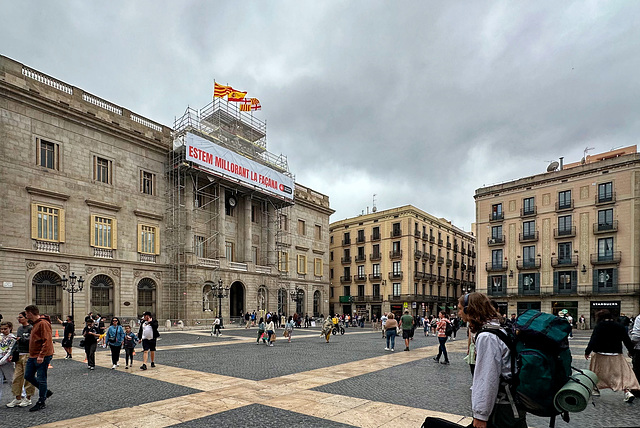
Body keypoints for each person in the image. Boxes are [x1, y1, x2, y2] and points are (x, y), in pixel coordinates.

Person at [458, 293, 526, 428]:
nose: (458, 312)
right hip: (512, 405)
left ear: (469, 309)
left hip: (501, 408)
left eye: (460, 308)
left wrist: (481, 415)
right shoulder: (499, 327)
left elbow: (487, 376)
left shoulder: (487, 336)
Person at [585, 309, 639, 402]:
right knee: (622, 374)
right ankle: (627, 391)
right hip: (616, 353)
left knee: (597, 372)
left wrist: (587, 351)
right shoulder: (619, 326)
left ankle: (595, 389)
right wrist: (631, 351)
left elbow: (593, 339)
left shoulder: (599, 326)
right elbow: (626, 340)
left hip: (600, 353)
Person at [22, 305, 54, 412]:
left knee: (41, 378)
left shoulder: (43, 323)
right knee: (28, 375)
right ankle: (45, 392)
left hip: (41, 356)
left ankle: (41, 401)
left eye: (26, 314)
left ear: (31, 313)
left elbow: (47, 340)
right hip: (33, 355)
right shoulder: (35, 324)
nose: (25, 315)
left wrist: (41, 355)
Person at [6, 312, 36, 408]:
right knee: (16, 378)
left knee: (28, 377)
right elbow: (16, 343)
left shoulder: (31, 328)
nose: (18, 319)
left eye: (20, 317)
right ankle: (18, 397)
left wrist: (22, 339)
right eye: (18, 317)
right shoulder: (19, 329)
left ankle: (28, 398)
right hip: (19, 355)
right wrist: (12, 353)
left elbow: (32, 341)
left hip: (28, 354)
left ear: (26, 318)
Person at [0, 322, 17, 405]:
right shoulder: (0, 336)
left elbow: (10, 351)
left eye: (5, 329)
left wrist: (2, 361)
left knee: (11, 379)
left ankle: (20, 396)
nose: (3, 331)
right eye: (1, 329)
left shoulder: (12, 338)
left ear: (10, 328)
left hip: (6, 361)